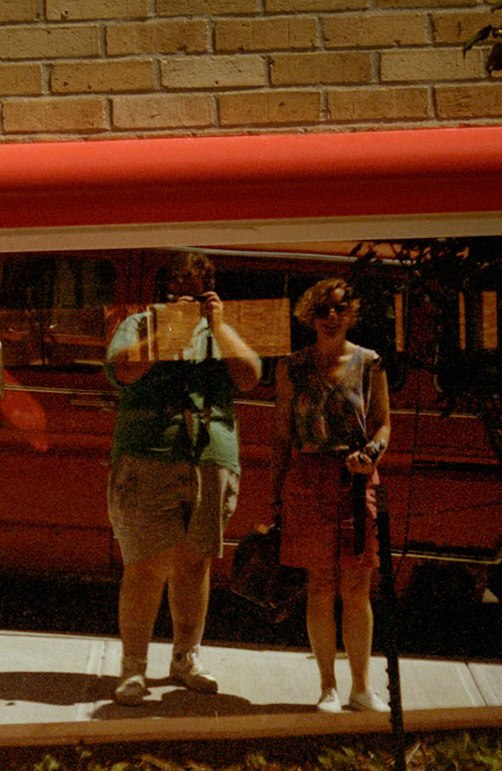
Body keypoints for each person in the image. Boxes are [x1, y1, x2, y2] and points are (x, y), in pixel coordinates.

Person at [104, 252, 263, 704]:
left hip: (210, 458)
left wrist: (217, 325)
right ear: (165, 288)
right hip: (147, 457)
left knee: (195, 566)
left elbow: (250, 377)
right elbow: (125, 370)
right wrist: (169, 330)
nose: (188, 295)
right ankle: (134, 668)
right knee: (145, 567)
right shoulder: (138, 324)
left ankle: (186, 658)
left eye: (199, 287)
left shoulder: (223, 328)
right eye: (180, 287)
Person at [266, 277, 393, 713]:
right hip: (306, 477)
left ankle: (361, 687)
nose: (331, 317)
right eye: (322, 310)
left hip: (356, 479)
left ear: (351, 313)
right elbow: (282, 434)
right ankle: (328, 688)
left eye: (339, 308)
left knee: (357, 585)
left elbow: (382, 423)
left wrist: (372, 454)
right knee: (319, 586)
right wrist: (275, 493)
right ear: (310, 317)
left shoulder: (370, 363)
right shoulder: (291, 367)